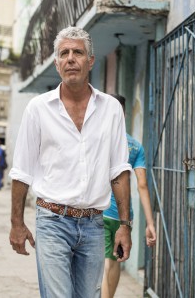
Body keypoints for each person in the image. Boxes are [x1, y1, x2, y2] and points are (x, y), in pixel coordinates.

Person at [9, 26, 133, 298]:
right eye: (64, 53)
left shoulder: (111, 109)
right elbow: (21, 171)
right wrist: (16, 223)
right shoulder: (38, 109)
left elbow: (119, 171)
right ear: (56, 63)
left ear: (90, 61)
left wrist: (125, 225)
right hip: (52, 222)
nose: (70, 58)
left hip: (93, 224)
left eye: (77, 52)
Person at [101, 94, 157, 298]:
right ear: (123, 114)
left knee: (91, 263)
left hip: (94, 210)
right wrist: (150, 223)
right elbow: (142, 185)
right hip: (121, 216)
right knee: (113, 262)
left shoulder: (95, 139)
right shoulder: (135, 146)